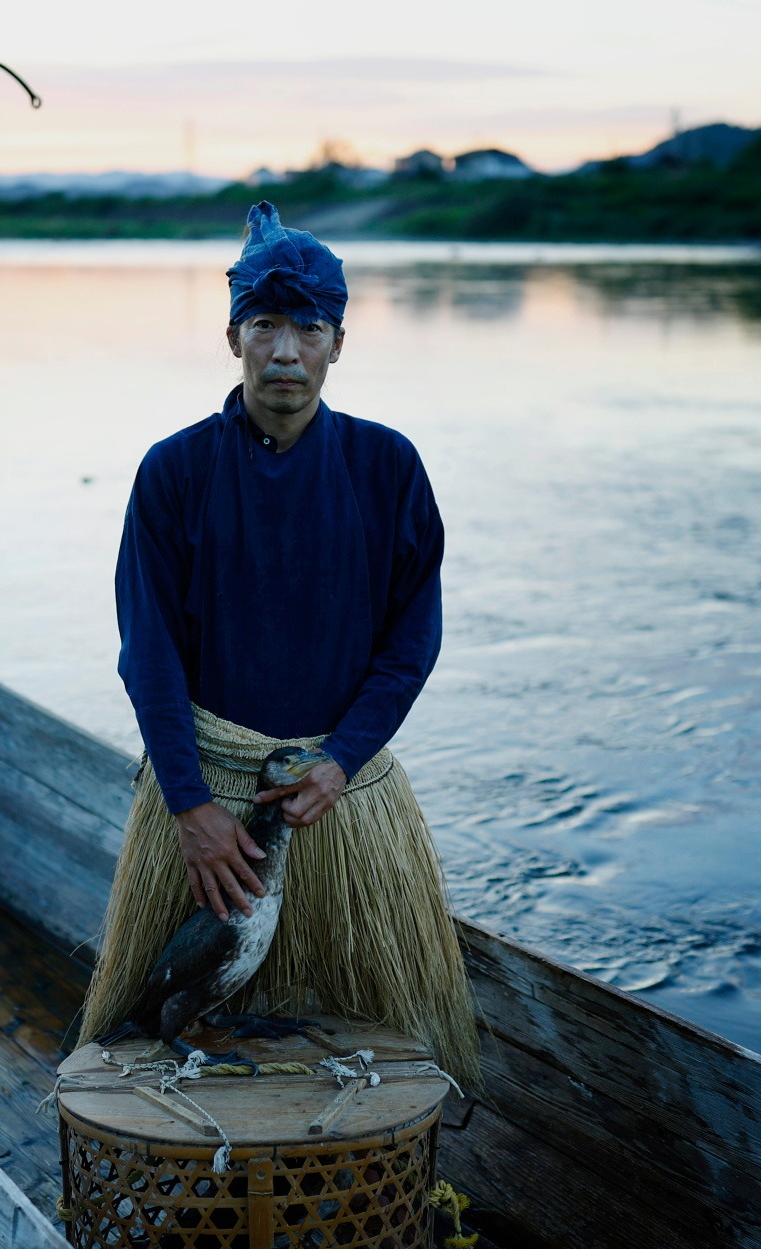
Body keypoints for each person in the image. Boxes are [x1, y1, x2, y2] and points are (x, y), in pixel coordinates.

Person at [78, 202, 477, 1081]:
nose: (286, 352)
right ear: (233, 338)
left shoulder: (388, 468)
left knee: (367, 1051)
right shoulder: (174, 473)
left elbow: (412, 643)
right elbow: (147, 653)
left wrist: (340, 762)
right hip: (208, 811)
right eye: (265, 326)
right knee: (156, 1041)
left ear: (340, 341)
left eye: (309, 327)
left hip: (346, 802)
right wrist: (188, 806)